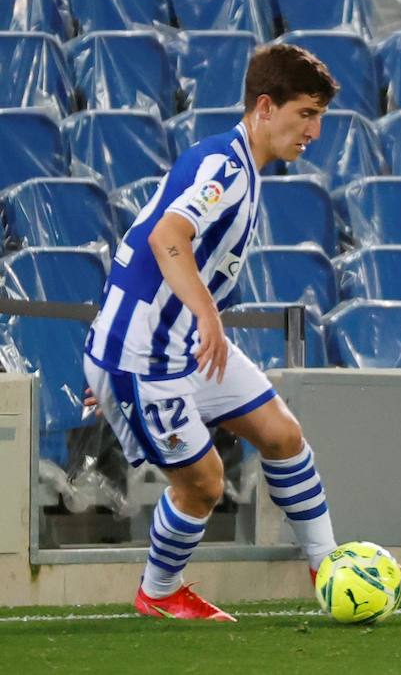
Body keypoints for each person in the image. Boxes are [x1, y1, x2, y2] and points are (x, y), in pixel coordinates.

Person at [83, 44, 341, 621]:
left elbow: (141, 242)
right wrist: (202, 317)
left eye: (320, 116)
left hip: (171, 345)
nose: (315, 132)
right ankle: (159, 591)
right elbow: (165, 237)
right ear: (266, 107)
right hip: (145, 356)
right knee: (204, 484)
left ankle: (329, 566)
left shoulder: (237, 163)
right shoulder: (225, 168)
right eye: (306, 114)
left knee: (282, 434)